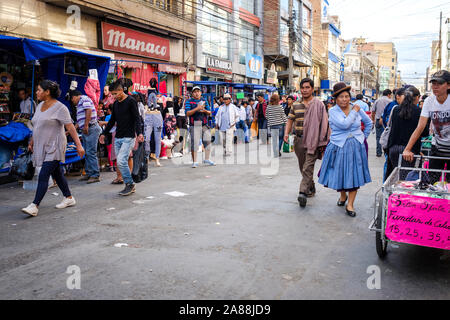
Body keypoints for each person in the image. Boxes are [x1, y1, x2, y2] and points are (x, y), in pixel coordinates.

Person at [21, 80, 85, 217]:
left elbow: (71, 127)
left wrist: (79, 146)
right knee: (57, 173)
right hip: (41, 145)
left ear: (47, 92)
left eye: (39, 90)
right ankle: (68, 198)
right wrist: (32, 140)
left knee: (44, 174)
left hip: (55, 146)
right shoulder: (39, 106)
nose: (37, 92)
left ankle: (34, 205)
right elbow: (36, 125)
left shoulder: (60, 108)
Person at [318, 82, 372, 217]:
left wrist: (362, 138)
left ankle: (350, 204)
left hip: (356, 146)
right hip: (338, 146)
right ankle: (343, 196)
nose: (344, 99)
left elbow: (369, 122)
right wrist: (354, 111)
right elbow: (344, 125)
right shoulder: (333, 111)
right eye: (341, 97)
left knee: (354, 174)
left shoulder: (356, 107)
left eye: (346, 96)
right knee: (340, 173)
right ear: (336, 99)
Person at [284, 78, 330, 207]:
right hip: (299, 140)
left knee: (308, 166)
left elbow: (324, 123)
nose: (304, 90)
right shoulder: (295, 105)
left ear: (312, 89)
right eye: (303, 87)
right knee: (302, 167)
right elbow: (290, 120)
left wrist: (323, 140)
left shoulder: (319, 105)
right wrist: (286, 134)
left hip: (313, 140)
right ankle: (311, 186)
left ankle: (302, 192)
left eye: (307, 87)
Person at [403, 70, 450, 183]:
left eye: (439, 83)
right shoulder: (429, 101)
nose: (435, 86)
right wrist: (407, 149)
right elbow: (420, 127)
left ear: (448, 85)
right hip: (437, 147)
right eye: (433, 83)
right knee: (431, 182)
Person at [99, 80, 144, 196]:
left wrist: (139, 133)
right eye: (111, 94)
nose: (113, 96)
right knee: (120, 162)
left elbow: (137, 118)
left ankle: (130, 184)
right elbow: (112, 120)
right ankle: (129, 184)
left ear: (121, 90)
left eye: (114, 94)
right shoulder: (116, 104)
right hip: (118, 137)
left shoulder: (131, 101)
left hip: (129, 137)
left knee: (121, 160)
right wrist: (104, 133)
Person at [386, 86, 429, 180]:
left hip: (393, 149)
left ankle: (392, 194)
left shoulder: (396, 109)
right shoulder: (419, 112)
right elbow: (425, 132)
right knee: (405, 181)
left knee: (394, 178)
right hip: (409, 152)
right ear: (417, 97)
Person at [69, 90, 101, 184]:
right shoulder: (79, 104)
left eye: (72, 99)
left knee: (91, 152)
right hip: (86, 129)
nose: (72, 101)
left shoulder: (84, 99)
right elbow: (80, 122)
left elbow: (89, 110)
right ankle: (89, 173)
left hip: (91, 128)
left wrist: (86, 125)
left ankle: (95, 175)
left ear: (74, 97)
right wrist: (70, 131)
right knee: (86, 152)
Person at [185, 86, 215, 168]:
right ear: (192, 93)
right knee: (194, 144)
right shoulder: (189, 101)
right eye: (195, 92)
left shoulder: (204, 100)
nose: (197, 93)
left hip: (204, 124)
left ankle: (207, 159)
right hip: (194, 125)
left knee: (208, 141)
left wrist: (204, 110)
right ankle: (194, 161)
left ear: (201, 93)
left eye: (198, 91)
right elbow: (187, 113)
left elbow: (209, 112)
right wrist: (197, 108)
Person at [372, 89, 392, 157]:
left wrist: (373, 120)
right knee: (387, 136)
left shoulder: (377, 100)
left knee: (378, 137)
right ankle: (386, 152)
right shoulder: (390, 101)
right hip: (387, 122)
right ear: (389, 94)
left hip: (378, 120)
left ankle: (378, 152)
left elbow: (373, 111)